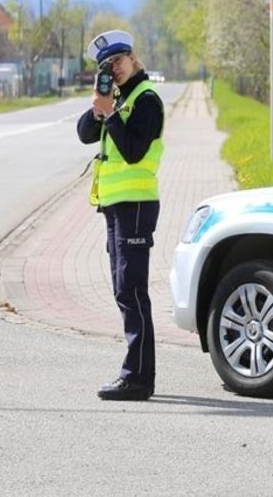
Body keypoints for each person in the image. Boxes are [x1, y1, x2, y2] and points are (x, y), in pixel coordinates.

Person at [76, 29, 164, 401]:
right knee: (121, 290)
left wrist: (111, 113)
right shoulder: (119, 98)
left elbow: (132, 151)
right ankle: (136, 374)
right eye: (106, 66)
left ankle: (138, 378)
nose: (115, 68)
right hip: (115, 207)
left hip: (137, 205)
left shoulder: (146, 100)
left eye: (118, 60)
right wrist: (100, 106)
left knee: (132, 290)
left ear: (133, 58)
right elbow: (83, 133)